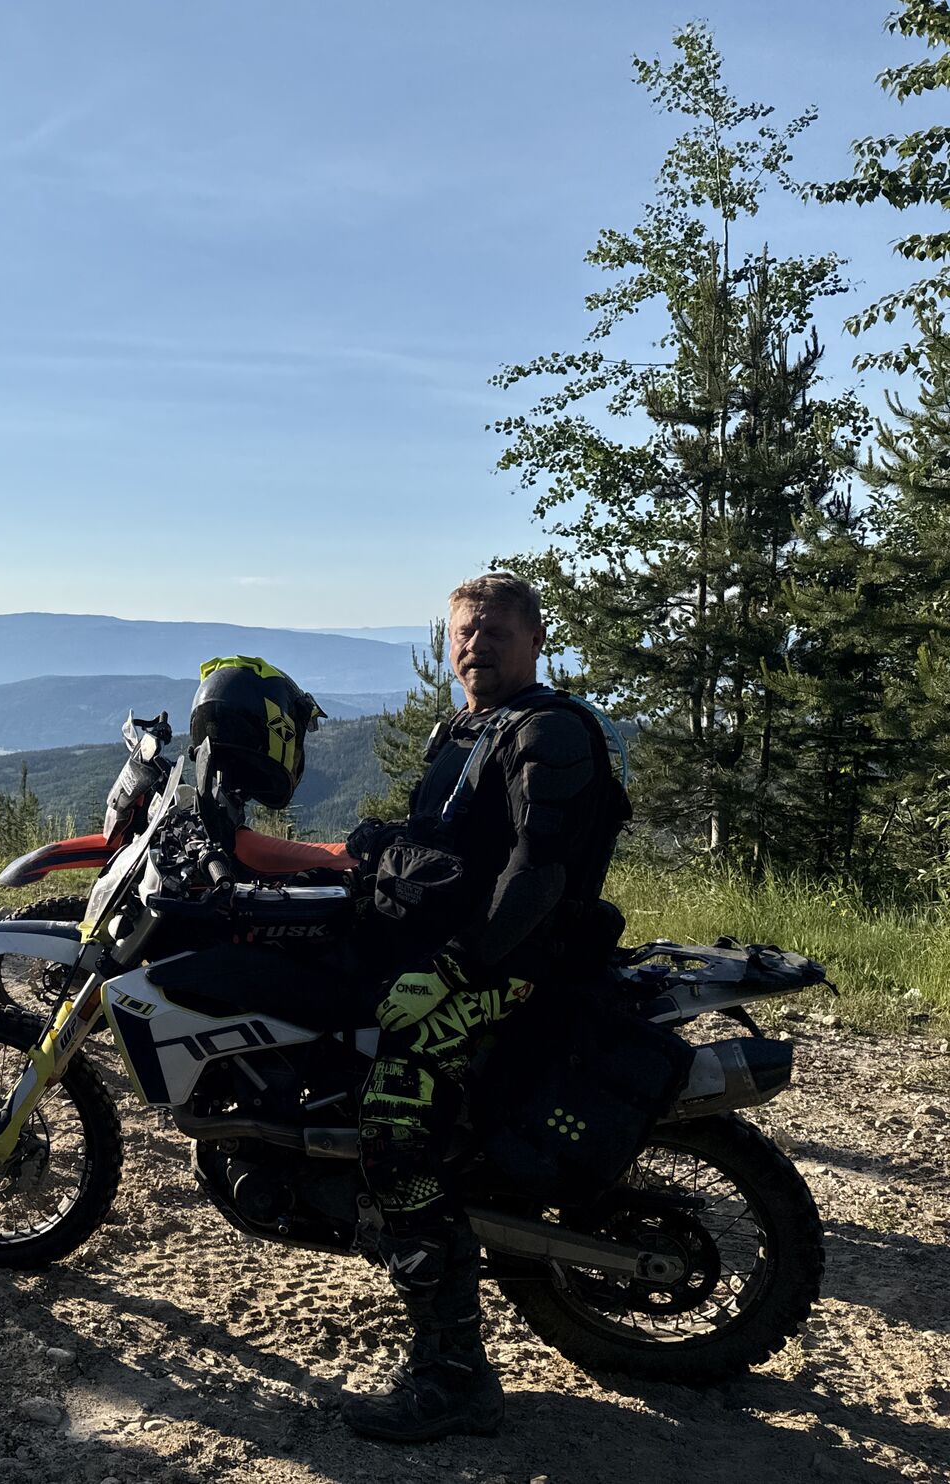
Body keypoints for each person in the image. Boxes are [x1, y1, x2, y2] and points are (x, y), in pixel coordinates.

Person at [338, 571, 626, 1443]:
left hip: (511, 970)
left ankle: (454, 1375)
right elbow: (454, 847)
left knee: (393, 1133)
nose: (477, 645)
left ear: (535, 640)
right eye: (465, 632)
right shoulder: (467, 729)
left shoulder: (549, 731)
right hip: (456, 958)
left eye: (497, 631)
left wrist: (458, 968)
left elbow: (536, 874)